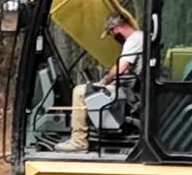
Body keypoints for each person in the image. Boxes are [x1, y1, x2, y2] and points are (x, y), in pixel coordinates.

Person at [56, 13, 143, 153]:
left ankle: (79, 141)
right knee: (92, 89)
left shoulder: (134, 40)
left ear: (115, 29)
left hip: (133, 91)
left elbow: (121, 68)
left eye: (110, 34)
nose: (113, 38)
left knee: (79, 91)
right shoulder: (140, 37)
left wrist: (105, 80)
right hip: (136, 87)